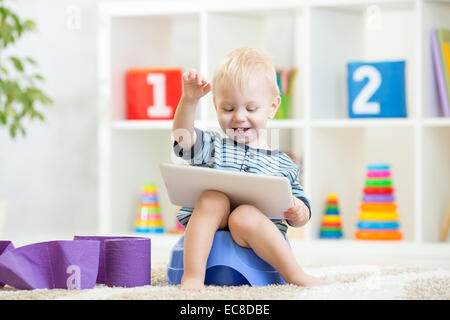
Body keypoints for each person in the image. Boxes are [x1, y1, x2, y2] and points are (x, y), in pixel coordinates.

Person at [171, 47, 328, 291]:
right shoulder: (212, 146)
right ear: (215, 105)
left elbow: (300, 203)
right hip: (214, 221)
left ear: (272, 107)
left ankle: (295, 274)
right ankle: (192, 275)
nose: (239, 117)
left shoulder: (283, 163)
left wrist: (300, 212)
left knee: (244, 214)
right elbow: (183, 138)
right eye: (228, 108)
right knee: (212, 198)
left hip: (254, 232)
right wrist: (189, 100)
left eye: (251, 109)